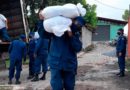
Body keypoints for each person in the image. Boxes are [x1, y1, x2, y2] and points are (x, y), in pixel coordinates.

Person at [45, 16, 84, 90]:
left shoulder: (75, 33)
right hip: (55, 63)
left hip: (69, 64)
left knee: (69, 86)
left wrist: (71, 36)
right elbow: (43, 34)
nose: (78, 25)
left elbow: (78, 48)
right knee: (57, 86)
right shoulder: (56, 30)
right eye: (77, 23)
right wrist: (41, 21)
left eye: (79, 25)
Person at [31, 12, 49, 81]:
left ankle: (36, 77)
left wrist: (35, 52)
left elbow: (38, 45)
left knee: (37, 64)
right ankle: (44, 76)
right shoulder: (47, 37)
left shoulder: (41, 36)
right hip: (46, 52)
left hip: (40, 52)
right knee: (45, 64)